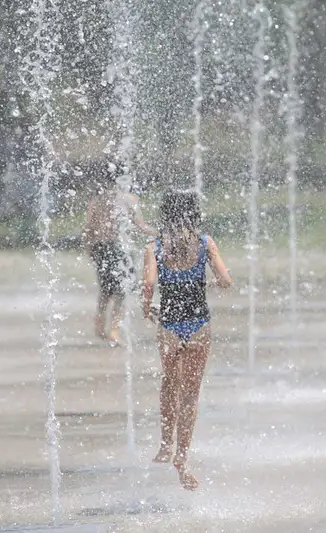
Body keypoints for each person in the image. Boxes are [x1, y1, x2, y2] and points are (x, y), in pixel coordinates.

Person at [141, 190, 232, 491]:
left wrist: (146, 307)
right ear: (195, 213)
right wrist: (212, 282)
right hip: (198, 327)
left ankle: (166, 443)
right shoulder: (206, 244)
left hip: (168, 326)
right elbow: (226, 281)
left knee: (169, 382)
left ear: (164, 213)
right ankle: (183, 457)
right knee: (191, 393)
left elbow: (149, 284)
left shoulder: (154, 246)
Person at [83, 163, 156, 345]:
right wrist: (160, 232)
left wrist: (88, 248)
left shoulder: (96, 200)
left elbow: (88, 228)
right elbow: (141, 226)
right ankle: (114, 330)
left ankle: (100, 326)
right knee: (122, 291)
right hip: (118, 249)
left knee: (106, 290)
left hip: (100, 248)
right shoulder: (128, 199)